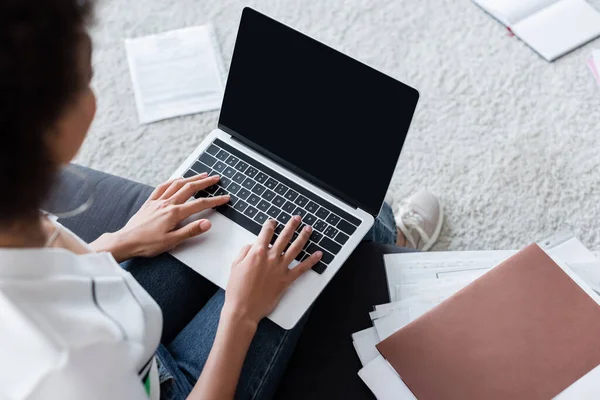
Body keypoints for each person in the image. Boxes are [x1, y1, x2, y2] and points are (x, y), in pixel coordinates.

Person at [0, 1, 443, 399]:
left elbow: (47, 274)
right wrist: (242, 314)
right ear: (51, 128)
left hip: (123, 344)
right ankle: (393, 244)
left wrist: (121, 240)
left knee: (266, 206)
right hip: (171, 388)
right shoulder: (62, 374)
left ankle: (380, 237)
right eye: (85, 79)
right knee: (327, 225)